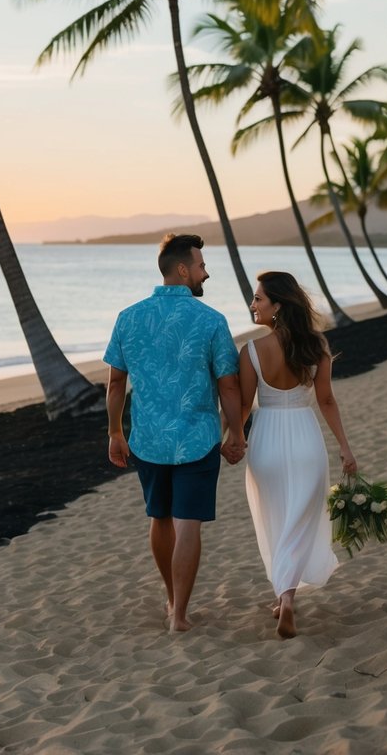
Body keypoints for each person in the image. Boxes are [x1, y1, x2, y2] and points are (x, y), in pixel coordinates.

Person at [105, 233, 246, 632]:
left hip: (148, 439)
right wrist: (235, 431)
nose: (206, 273)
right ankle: (180, 614)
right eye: (201, 266)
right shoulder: (211, 320)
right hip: (197, 437)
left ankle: (170, 598)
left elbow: (116, 384)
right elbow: (229, 385)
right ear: (183, 270)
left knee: (160, 517)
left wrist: (115, 431)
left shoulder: (128, 317)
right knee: (188, 524)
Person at [240, 271, 357, 640]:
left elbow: (243, 406)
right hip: (306, 438)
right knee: (300, 519)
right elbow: (326, 400)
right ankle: (286, 597)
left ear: (277, 306)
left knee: (276, 517)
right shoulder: (316, 346)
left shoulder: (251, 352)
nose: (253, 304)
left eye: (259, 298)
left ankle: (285, 595)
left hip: (266, 441)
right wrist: (344, 446)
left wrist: (231, 439)